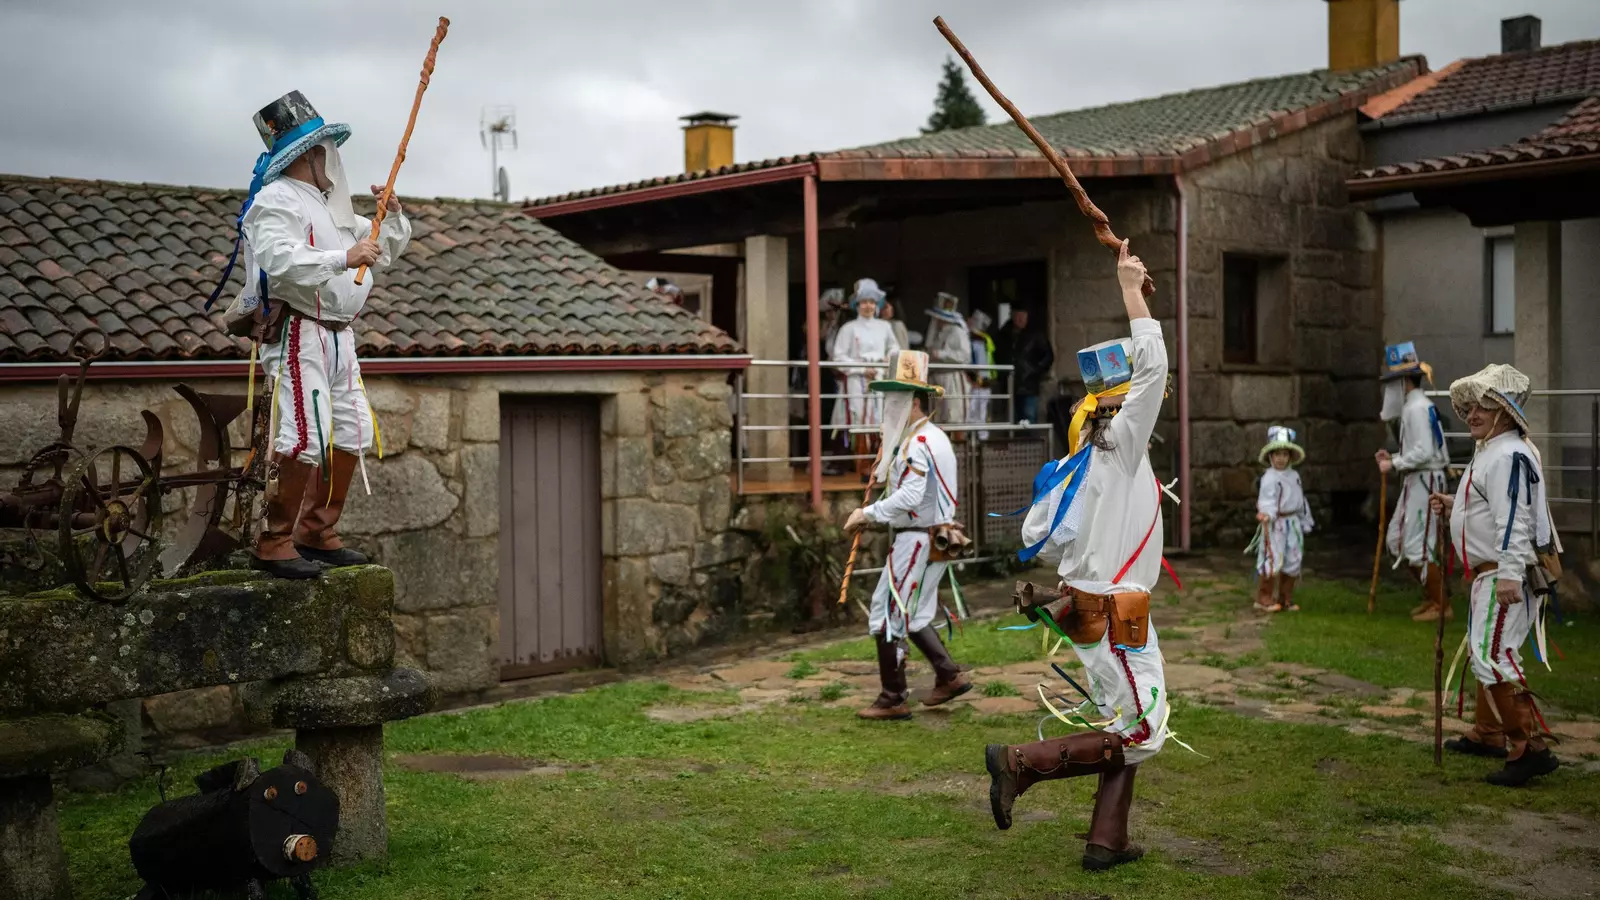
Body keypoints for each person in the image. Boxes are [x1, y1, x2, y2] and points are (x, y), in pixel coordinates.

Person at [985, 241, 1168, 871]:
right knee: (1143, 730)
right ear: (1120, 404)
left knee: (1122, 722)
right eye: (1134, 400)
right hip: (1116, 615)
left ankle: (1106, 841)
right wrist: (1130, 291)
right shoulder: (1120, 447)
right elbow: (1155, 368)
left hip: (1090, 611)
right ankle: (1020, 763)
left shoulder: (1072, 466)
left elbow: (1046, 538)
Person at [220, 91, 411, 579]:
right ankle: (274, 540)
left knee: (351, 429)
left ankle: (316, 532)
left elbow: (381, 247)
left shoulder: (331, 208)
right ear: (307, 154)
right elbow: (278, 259)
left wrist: (391, 216)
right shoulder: (275, 200)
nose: (333, 159)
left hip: (340, 336)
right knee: (306, 432)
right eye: (326, 149)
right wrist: (343, 259)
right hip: (299, 330)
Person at [1431, 364, 1562, 787]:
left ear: (1505, 411)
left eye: (1483, 407)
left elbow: (1514, 520)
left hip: (1504, 576)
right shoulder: (1493, 450)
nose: (1472, 414)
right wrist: (1454, 505)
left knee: (1494, 655)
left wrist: (1508, 574)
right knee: (1485, 651)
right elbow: (1490, 507)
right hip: (1489, 574)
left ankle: (1529, 748)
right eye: (1470, 407)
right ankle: (1489, 733)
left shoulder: (1508, 454)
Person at [844, 349, 973, 720]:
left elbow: (912, 496)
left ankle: (893, 697)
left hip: (918, 538)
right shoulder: (932, 437)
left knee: (886, 612)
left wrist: (868, 513)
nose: (887, 407)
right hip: (937, 536)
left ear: (914, 401)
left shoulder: (918, 443)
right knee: (913, 614)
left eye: (894, 399)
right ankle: (948, 676)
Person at [1375, 341, 1451, 622]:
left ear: (1404, 381)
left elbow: (1425, 452)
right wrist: (1395, 457)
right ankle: (1432, 597)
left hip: (1425, 482)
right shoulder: (1416, 406)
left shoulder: (1417, 408)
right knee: (1397, 540)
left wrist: (1394, 463)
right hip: (1417, 480)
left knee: (1419, 545)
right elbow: (1420, 450)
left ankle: (1441, 604)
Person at [830, 279, 901, 478]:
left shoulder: (884, 327)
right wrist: (861, 369)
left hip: (879, 377)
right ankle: (860, 464)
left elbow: (894, 347)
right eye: (864, 302)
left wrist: (887, 358)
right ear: (857, 305)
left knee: (879, 418)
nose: (868, 306)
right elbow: (839, 357)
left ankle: (878, 464)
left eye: (871, 302)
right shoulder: (849, 328)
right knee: (858, 417)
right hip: (856, 381)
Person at [1252, 426, 1314, 613]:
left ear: (1290, 456)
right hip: (1276, 524)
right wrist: (1267, 513)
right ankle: (1264, 597)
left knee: (1293, 558)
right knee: (1272, 557)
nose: (1281, 458)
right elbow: (1267, 499)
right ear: (1270, 456)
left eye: (1285, 454)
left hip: (1292, 523)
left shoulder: (1294, 476)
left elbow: (1299, 499)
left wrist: (1304, 518)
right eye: (1277, 454)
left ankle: (1285, 597)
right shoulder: (1269, 478)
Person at [994, 308, 1054, 423]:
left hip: (1028, 385)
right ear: (1012, 316)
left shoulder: (1035, 334)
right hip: (1009, 385)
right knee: (1010, 420)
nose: (1020, 319)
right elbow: (998, 355)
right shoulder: (1004, 334)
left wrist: (1034, 371)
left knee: (1028, 419)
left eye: (1023, 316)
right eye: (1018, 315)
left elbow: (1048, 356)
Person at [925, 292, 972, 427]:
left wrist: (942, 354)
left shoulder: (957, 331)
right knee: (937, 416)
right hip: (935, 379)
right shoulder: (937, 333)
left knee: (954, 416)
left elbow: (965, 356)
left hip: (952, 377)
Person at [968, 309, 997, 440]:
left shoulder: (977, 339)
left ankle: (978, 441)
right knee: (979, 413)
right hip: (983, 381)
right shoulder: (985, 339)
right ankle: (978, 439)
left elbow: (981, 362)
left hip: (979, 382)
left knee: (976, 413)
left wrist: (977, 380)